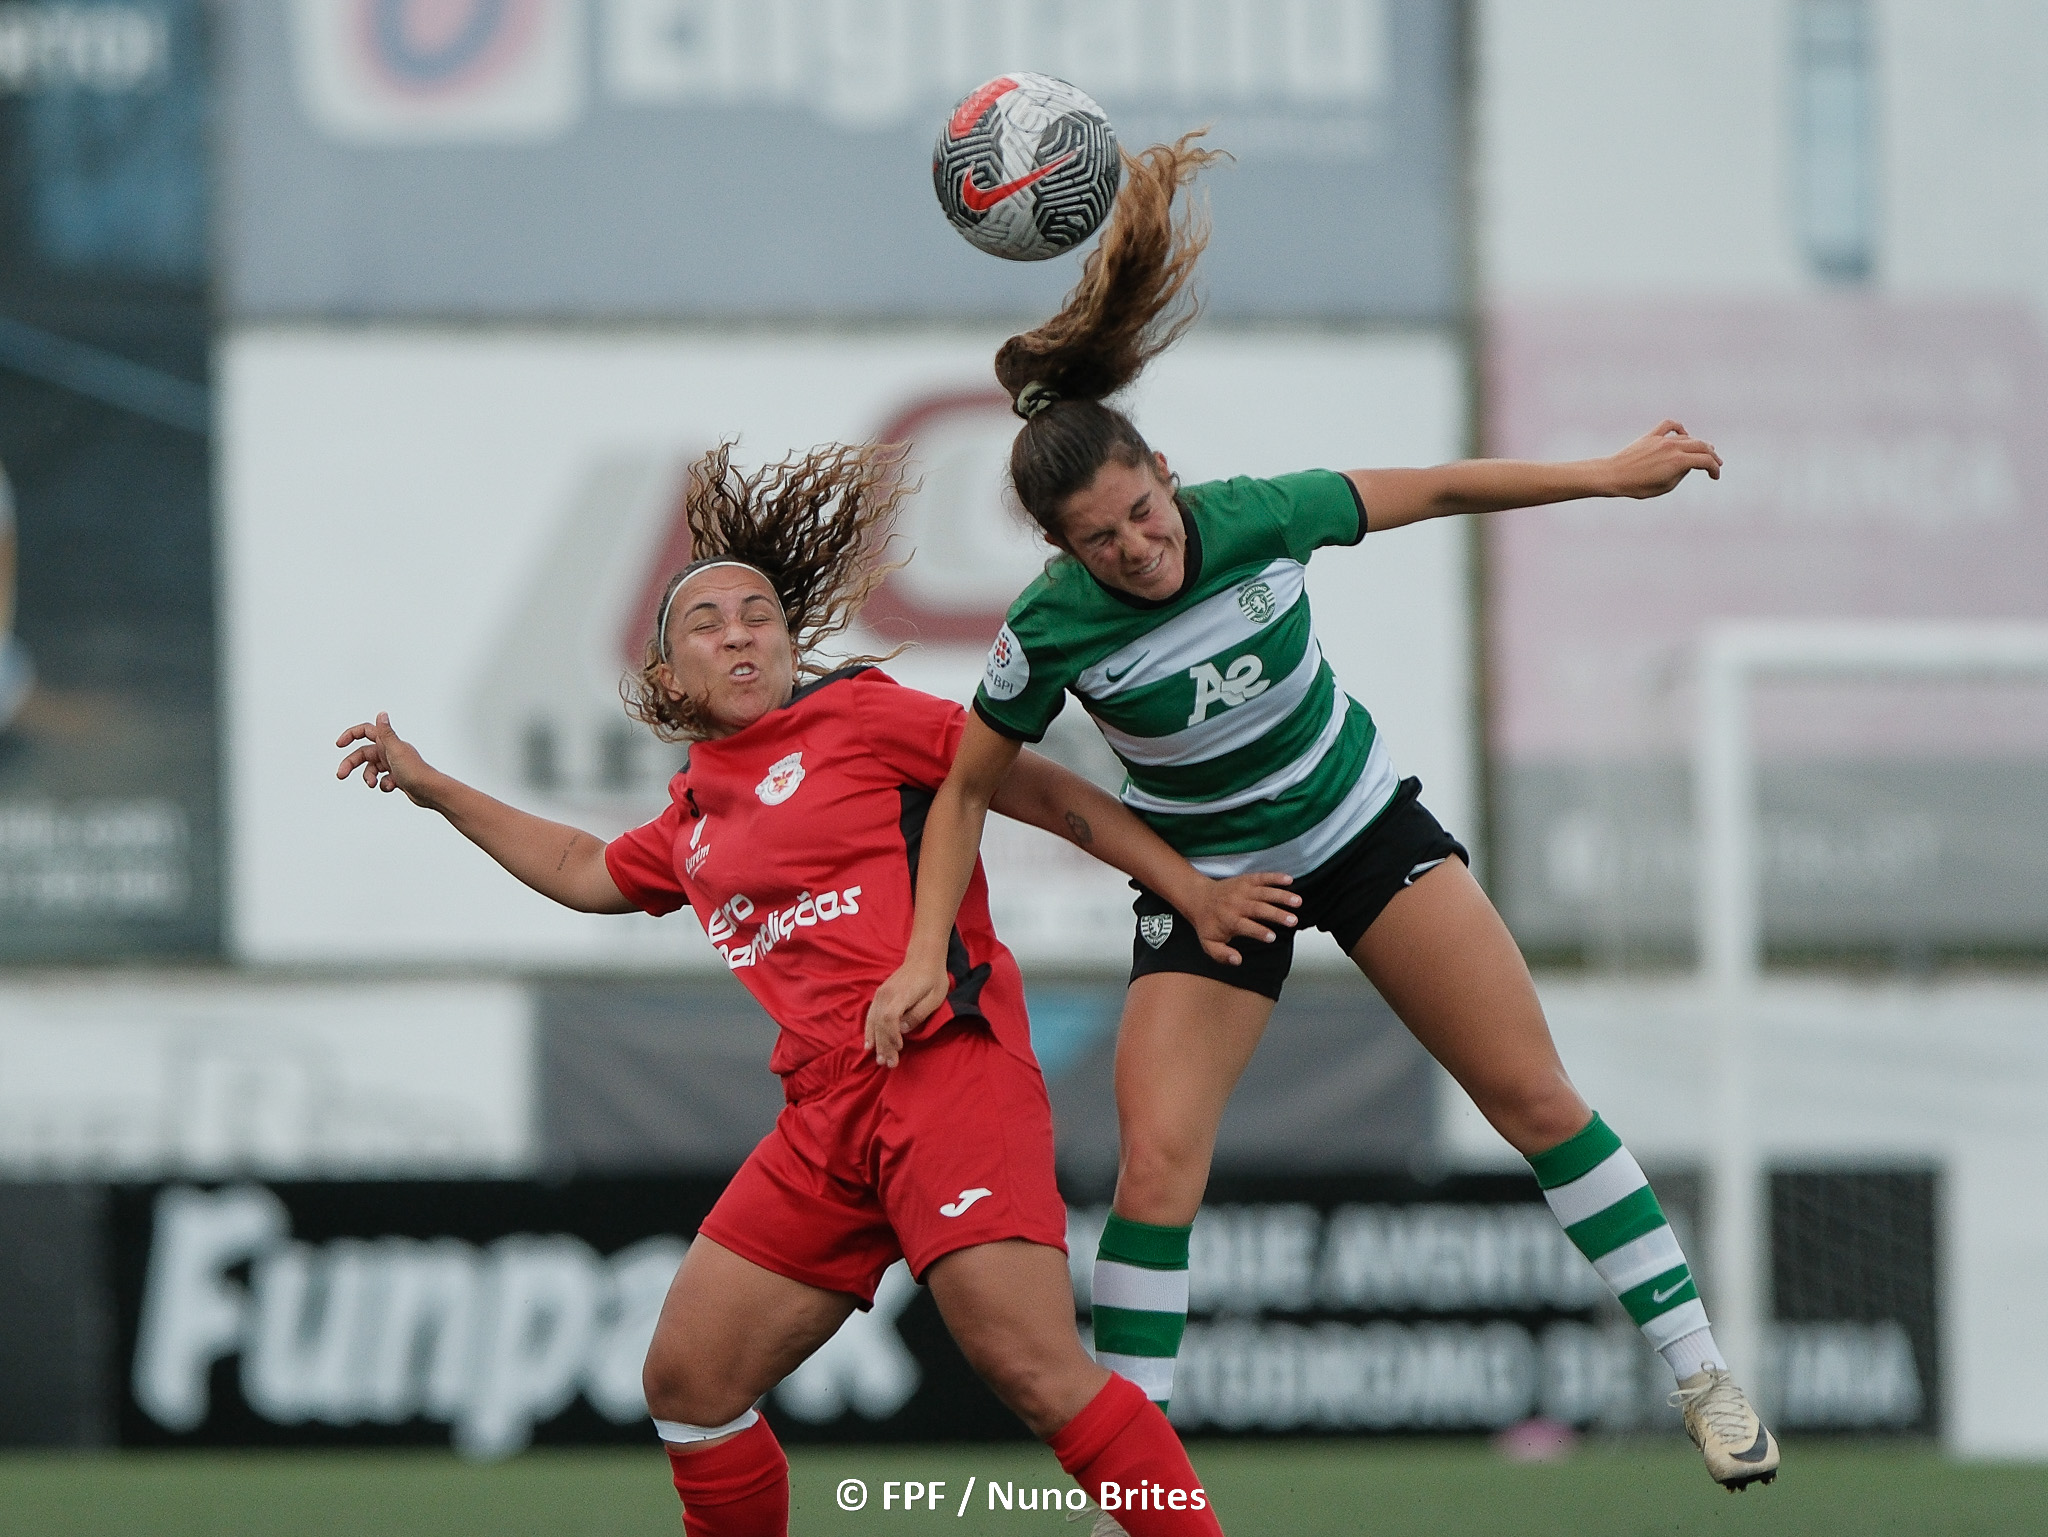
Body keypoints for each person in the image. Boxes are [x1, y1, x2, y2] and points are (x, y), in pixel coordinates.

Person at [868, 139, 1779, 1492]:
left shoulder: (1260, 515)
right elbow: (963, 796)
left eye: (1139, 510)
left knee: (1531, 1095)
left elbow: (1447, 489)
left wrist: (1603, 472)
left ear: (1165, 471)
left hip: (1363, 831)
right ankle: (1141, 1494)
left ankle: (1701, 1372)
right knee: (1160, 1170)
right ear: (1061, 554)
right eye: (1101, 539)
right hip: (1211, 876)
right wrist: (919, 947)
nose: (1137, 546)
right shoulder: (1049, 631)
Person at [337, 441, 1293, 1536]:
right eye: (709, 622)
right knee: (688, 1383)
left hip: (944, 1070)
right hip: (826, 1114)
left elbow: (1032, 786)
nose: (742, 629)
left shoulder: (862, 715)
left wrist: (1186, 887)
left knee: (1034, 1370)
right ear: (667, 679)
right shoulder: (695, 812)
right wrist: (434, 788)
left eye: (759, 615)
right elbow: (582, 872)